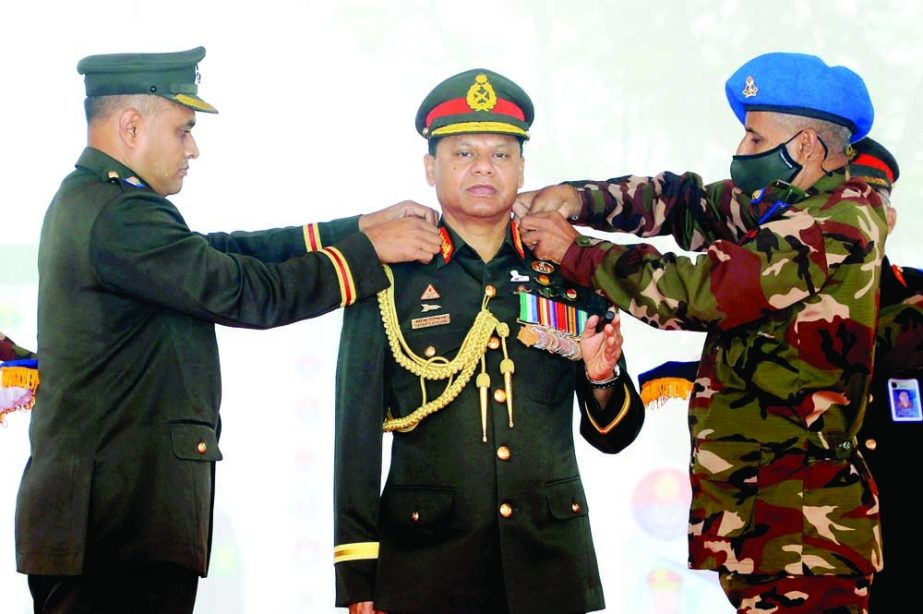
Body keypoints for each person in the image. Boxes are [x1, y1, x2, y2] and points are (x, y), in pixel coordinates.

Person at [15, 46, 443, 614]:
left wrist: (355, 228)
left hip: (112, 526)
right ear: (132, 125)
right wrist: (365, 256)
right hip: (118, 533)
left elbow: (227, 252)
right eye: (184, 129)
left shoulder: (105, 204)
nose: (193, 148)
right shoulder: (118, 214)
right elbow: (243, 291)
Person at [516, 52, 886, 613]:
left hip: (805, 531)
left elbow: (701, 293)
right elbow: (682, 202)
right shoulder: (786, 203)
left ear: (806, 147)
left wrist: (574, 251)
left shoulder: (832, 221)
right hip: (763, 519)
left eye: (754, 140)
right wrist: (580, 199)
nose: (740, 155)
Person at [332, 68, 646, 614]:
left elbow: (614, 437)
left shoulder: (568, 268)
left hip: (549, 564)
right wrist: (359, 577)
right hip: (423, 565)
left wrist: (602, 378)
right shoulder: (388, 273)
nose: (483, 167)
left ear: (522, 167)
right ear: (430, 167)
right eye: (462, 154)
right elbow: (354, 432)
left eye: (501, 154)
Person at [846, 137, 923, 610]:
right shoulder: (776, 306)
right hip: (811, 557)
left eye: (868, 203)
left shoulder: (917, 295)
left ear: (889, 219)